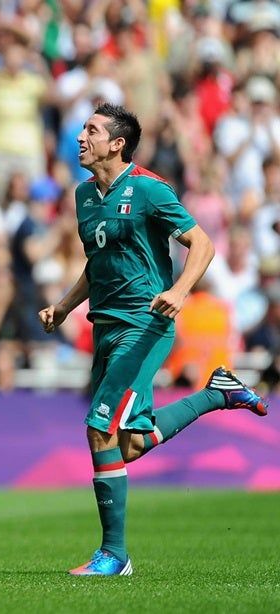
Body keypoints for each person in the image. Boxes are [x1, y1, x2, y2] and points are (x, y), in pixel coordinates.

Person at [39, 102, 268, 577]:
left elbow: (202, 244)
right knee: (128, 445)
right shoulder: (84, 195)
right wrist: (63, 306)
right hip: (104, 326)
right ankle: (216, 394)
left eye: (92, 131)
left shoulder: (149, 189)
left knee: (99, 429)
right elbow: (98, 262)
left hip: (145, 324)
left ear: (117, 144)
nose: (81, 137)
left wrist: (179, 290)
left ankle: (114, 555)